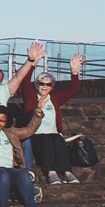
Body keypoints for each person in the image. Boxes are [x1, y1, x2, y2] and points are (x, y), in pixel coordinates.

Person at [19, 49, 84, 185]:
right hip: (36, 135)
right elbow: (24, 81)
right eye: (41, 83)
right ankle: (51, 172)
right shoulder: (31, 97)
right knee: (48, 139)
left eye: (48, 84)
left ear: (52, 86)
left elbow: (74, 89)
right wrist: (33, 62)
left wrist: (74, 71)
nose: (44, 87)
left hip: (53, 135)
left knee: (58, 138)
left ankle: (67, 172)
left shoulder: (55, 98)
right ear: (37, 85)